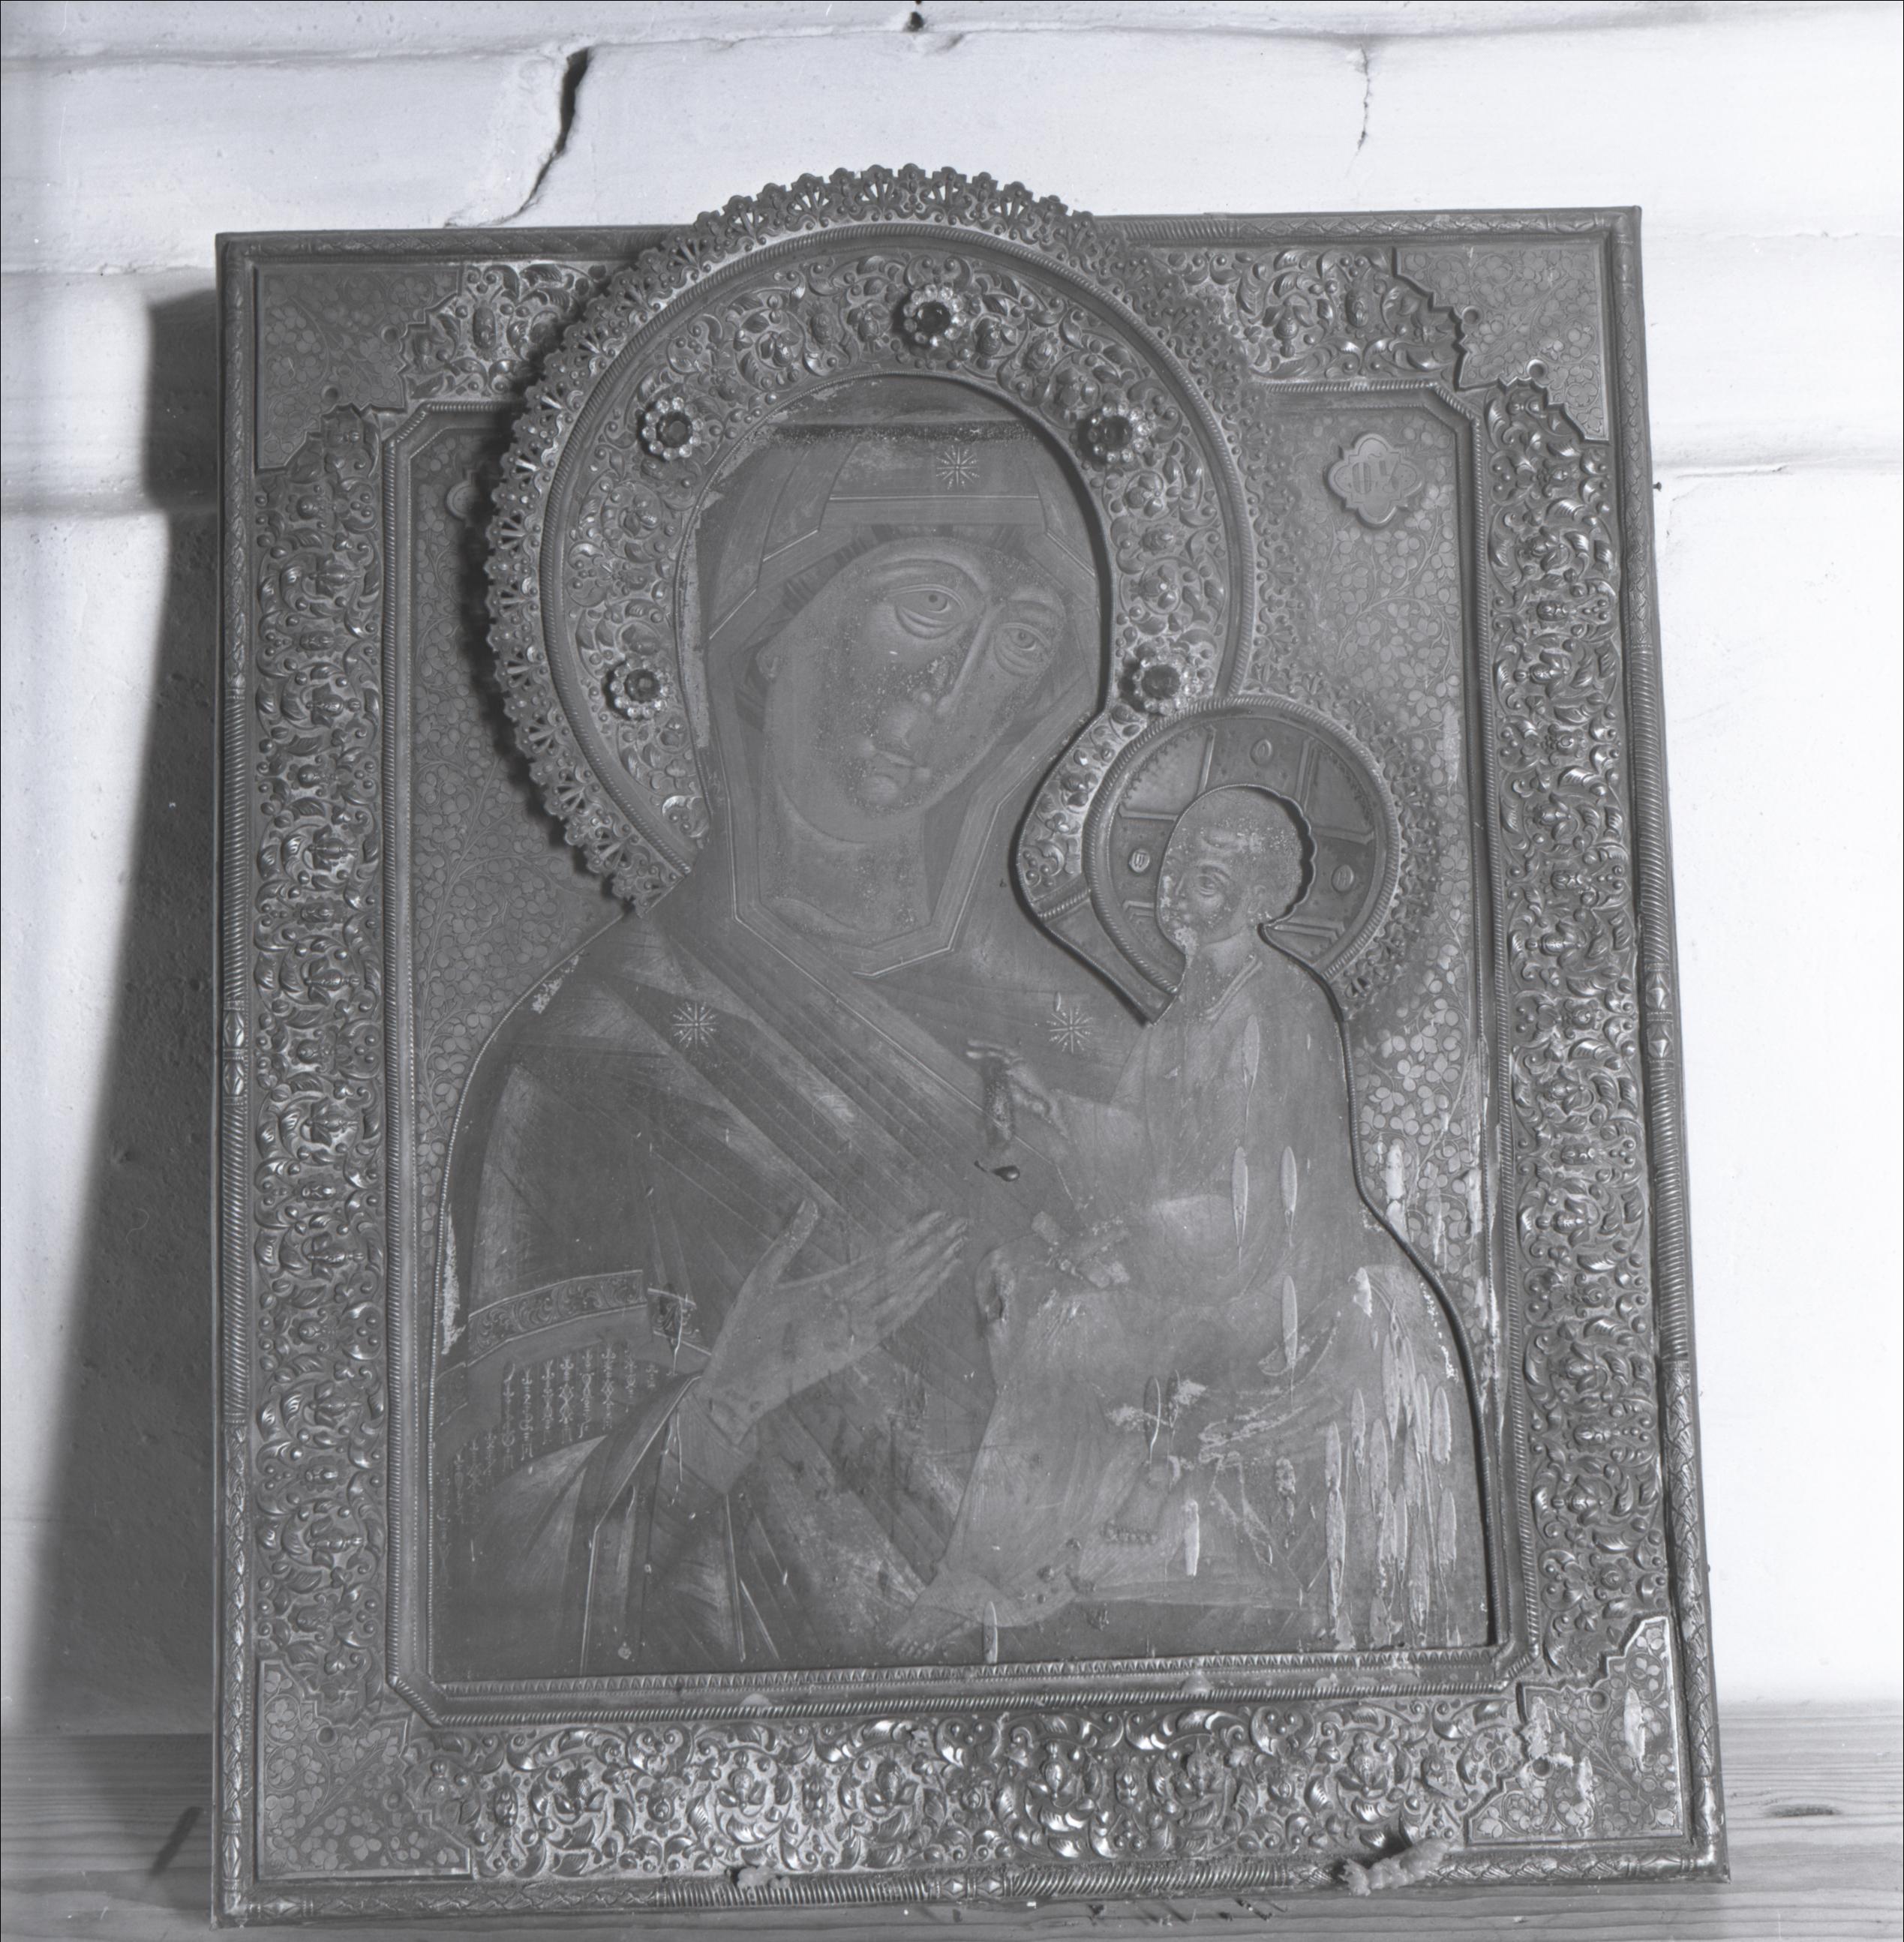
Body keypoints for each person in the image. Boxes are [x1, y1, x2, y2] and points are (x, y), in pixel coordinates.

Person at [432, 378, 1123, 1676]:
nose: (952, 691)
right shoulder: (597, 1054)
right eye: (926, 608)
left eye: (1019, 648)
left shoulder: (1058, 1036)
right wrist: (733, 1395)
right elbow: (493, 1563)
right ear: (765, 633)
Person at [902, 785, 1488, 1655]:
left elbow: (1268, 1200)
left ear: (1256, 897)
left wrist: (1137, 1248)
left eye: (1206, 879)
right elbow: (1142, 1149)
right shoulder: (1186, 1012)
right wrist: (1049, 1108)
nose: (1177, 891)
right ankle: (1060, 1532)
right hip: (1189, 1249)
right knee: (1010, 1278)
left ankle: (990, 1578)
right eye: (1177, 869)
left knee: (1072, 1326)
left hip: (1266, 1278)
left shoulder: (1281, 1009)